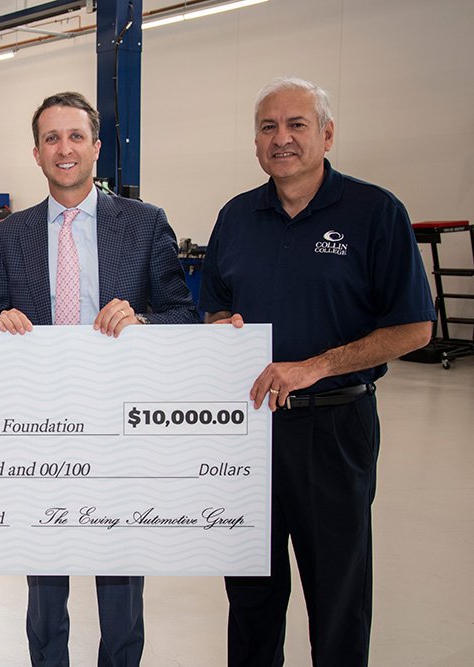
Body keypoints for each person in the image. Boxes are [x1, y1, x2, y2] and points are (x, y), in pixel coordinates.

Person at [200, 76, 435, 666]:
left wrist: (317, 366)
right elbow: (217, 305)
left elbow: (414, 327)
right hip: (248, 427)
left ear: (326, 134)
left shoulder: (374, 212)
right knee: (250, 590)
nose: (282, 138)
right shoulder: (235, 217)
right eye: (268, 127)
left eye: (296, 124)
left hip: (334, 427)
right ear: (256, 142)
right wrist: (220, 327)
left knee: (337, 590)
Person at [0, 92, 199, 667]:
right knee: (44, 579)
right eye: (51, 138)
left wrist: (143, 320)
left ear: (97, 148)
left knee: (121, 576)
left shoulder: (146, 224)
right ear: (36, 153)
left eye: (75, 136)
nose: (64, 148)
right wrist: (0, 323)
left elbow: (185, 315)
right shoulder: (7, 237)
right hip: (39, 427)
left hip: (120, 428)